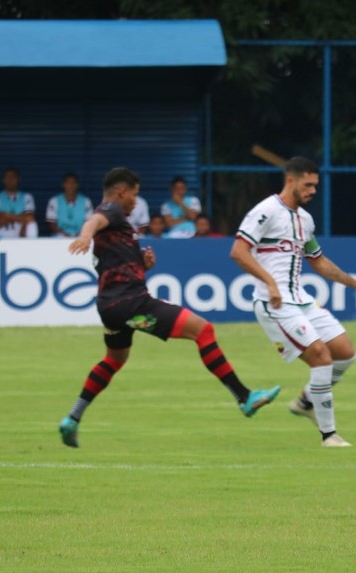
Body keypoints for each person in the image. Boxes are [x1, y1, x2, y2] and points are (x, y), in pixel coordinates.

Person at [58, 167, 281, 448]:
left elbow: (110, 262)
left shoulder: (118, 226)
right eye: (135, 196)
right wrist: (84, 235)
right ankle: (244, 397)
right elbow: (94, 221)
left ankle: (73, 418)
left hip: (110, 306)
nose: (135, 203)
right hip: (132, 302)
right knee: (203, 330)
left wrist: (143, 265)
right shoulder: (111, 210)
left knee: (114, 359)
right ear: (122, 192)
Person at [230, 156, 356, 447]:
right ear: (290, 180)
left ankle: (306, 401)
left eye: (316, 185)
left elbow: (319, 262)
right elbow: (239, 252)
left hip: (300, 299)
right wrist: (269, 282)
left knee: (345, 352)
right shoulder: (265, 211)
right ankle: (329, 435)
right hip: (273, 302)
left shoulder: (305, 220)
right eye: (308, 184)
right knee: (320, 356)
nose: (314, 190)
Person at [0, 167, 37, 239]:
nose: (10, 180)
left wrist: (7, 215)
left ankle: (31, 246)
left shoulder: (27, 197)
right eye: (7, 177)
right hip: (2, 228)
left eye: (13, 177)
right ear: (3, 180)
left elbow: (29, 216)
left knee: (31, 223)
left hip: (21, 229)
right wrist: (20, 216)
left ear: (19, 179)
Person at [45, 173, 93, 237]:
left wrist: (78, 234)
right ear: (63, 184)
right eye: (68, 183)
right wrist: (64, 235)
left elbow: (89, 223)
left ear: (77, 185)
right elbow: (52, 223)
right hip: (60, 236)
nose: (71, 185)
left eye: (74, 183)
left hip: (80, 235)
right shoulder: (54, 201)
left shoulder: (86, 201)